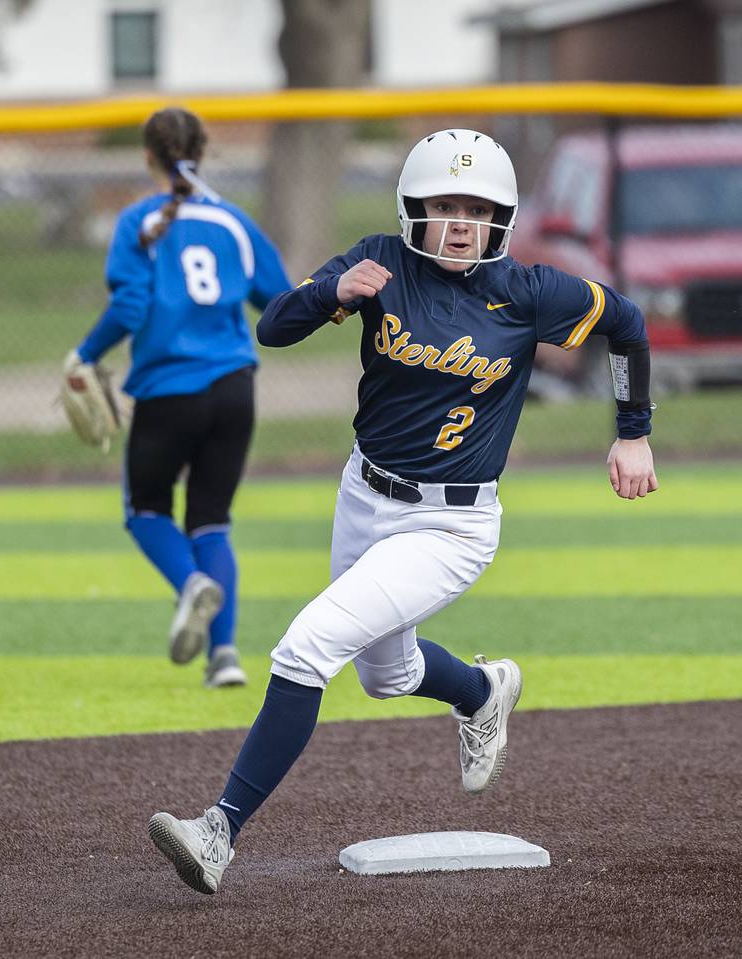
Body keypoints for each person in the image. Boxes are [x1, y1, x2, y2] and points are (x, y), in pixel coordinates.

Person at [148, 128, 658, 893]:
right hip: (364, 493)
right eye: (445, 204)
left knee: (306, 646)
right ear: (414, 208)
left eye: (477, 207)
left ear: (502, 217)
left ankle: (218, 829)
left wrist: (633, 433)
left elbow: (628, 323)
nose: (460, 221)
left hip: (451, 525)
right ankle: (484, 692)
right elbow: (272, 326)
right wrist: (330, 293)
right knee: (386, 675)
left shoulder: (529, 290)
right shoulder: (380, 262)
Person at [66, 107, 291, 688]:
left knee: (146, 512)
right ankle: (226, 658)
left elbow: (132, 307)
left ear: (148, 156)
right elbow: (281, 301)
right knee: (211, 521)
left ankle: (191, 585)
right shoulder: (234, 222)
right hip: (236, 388)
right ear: (204, 151)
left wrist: (85, 354)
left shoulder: (140, 222)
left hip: (170, 390)